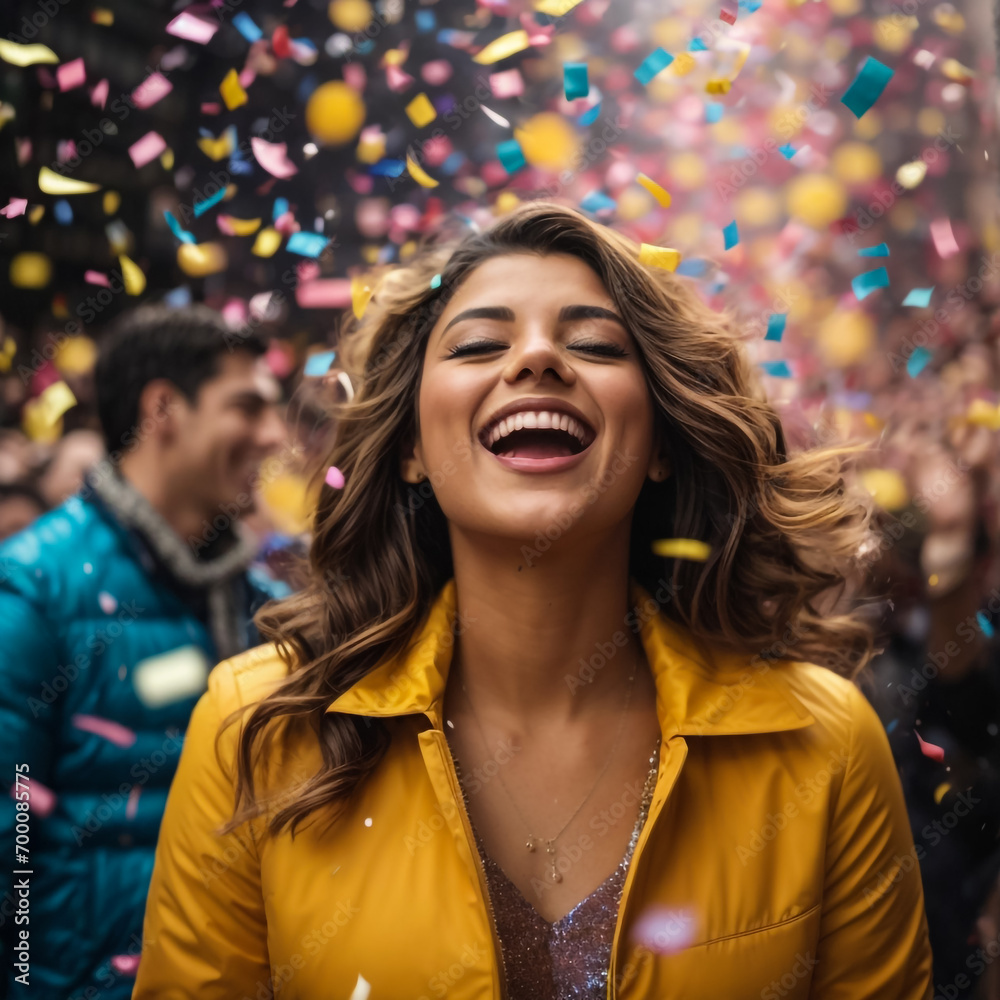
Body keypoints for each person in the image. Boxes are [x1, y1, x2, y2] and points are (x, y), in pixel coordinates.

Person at [133, 204, 933, 999]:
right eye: (480, 344)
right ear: (410, 447)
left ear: (658, 442)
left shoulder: (823, 744)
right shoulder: (256, 730)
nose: (540, 358)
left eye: (593, 343)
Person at [0, 304, 291, 999]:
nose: (274, 435)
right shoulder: (34, 591)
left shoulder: (261, 601)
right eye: (247, 407)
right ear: (164, 407)